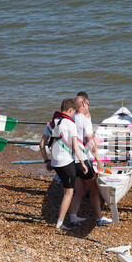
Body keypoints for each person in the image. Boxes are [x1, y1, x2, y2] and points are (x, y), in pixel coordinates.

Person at [39, 98, 88, 230]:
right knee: (69, 192)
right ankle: (60, 223)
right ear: (71, 110)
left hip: (55, 162)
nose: (73, 115)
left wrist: (46, 161)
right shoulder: (70, 124)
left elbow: (42, 144)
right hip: (66, 163)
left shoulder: (50, 123)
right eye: (73, 113)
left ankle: (73, 216)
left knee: (71, 188)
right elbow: (75, 146)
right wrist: (82, 163)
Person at [68, 94, 113, 226]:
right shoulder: (84, 119)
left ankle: (72, 216)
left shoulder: (71, 118)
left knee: (80, 189)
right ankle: (99, 218)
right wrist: (98, 159)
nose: (88, 106)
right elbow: (89, 141)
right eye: (88, 104)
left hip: (71, 159)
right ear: (84, 104)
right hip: (83, 159)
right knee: (94, 189)